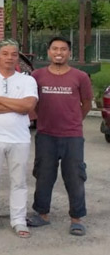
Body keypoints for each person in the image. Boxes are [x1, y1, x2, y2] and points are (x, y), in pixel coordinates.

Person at [27, 37, 93, 236]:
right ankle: (42, 214)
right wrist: (40, 119)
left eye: (63, 49)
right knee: (44, 175)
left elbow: (87, 103)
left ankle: (76, 218)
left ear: (69, 53)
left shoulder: (80, 77)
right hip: (46, 134)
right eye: (55, 48)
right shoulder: (37, 76)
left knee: (75, 177)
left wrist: (74, 120)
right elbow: (32, 102)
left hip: (72, 136)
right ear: (48, 52)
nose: (59, 52)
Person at [0, 39, 38, 238]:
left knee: (19, 181)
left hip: (19, 138)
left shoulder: (27, 80)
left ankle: (18, 220)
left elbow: (27, 107)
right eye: (5, 53)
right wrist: (15, 104)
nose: (9, 57)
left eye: (13, 54)